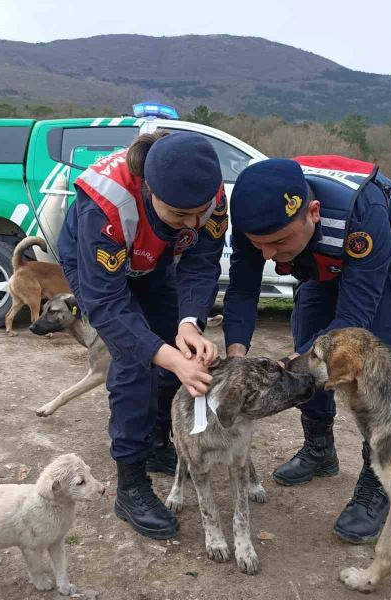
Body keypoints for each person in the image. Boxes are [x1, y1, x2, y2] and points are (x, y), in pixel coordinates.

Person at [223, 155, 391, 543]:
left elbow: (353, 322)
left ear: (312, 212)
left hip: (387, 263)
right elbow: (243, 289)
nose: (267, 254)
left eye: (278, 242)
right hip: (318, 262)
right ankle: (320, 449)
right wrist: (236, 355)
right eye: (259, 245)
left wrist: (289, 362)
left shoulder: (363, 218)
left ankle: (378, 480)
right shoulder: (259, 219)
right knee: (307, 337)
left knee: (377, 360)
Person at [58, 131, 228, 540]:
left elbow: (202, 263)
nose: (191, 224)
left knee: (175, 350)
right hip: (99, 270)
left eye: (197, 213)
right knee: (134, 361)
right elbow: (109, 305)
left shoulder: (209, 194)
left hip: (153, 261)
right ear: (148, 188)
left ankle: (156, 441)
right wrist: (165, 354)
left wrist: (189, 322)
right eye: (178, 214)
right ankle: (130, 481)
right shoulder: (106, 204)